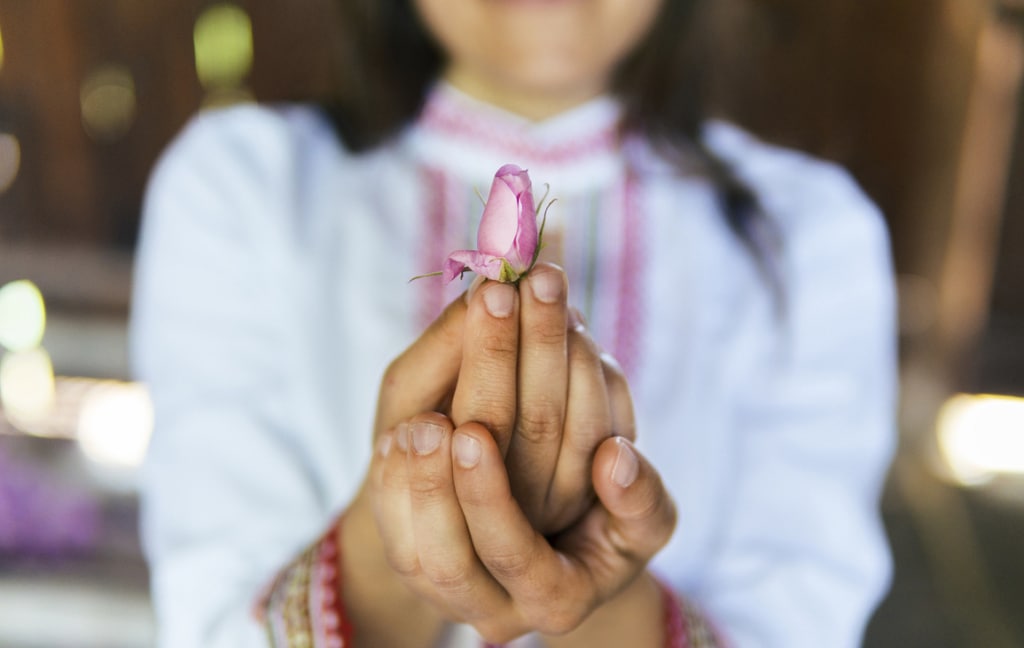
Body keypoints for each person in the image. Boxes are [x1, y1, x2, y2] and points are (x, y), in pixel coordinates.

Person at [131, 0, 897, 646]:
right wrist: (391, 547)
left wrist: (591, 584)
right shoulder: (245, 188)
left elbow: (800, 614)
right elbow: (214, 614)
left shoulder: (807, 234)